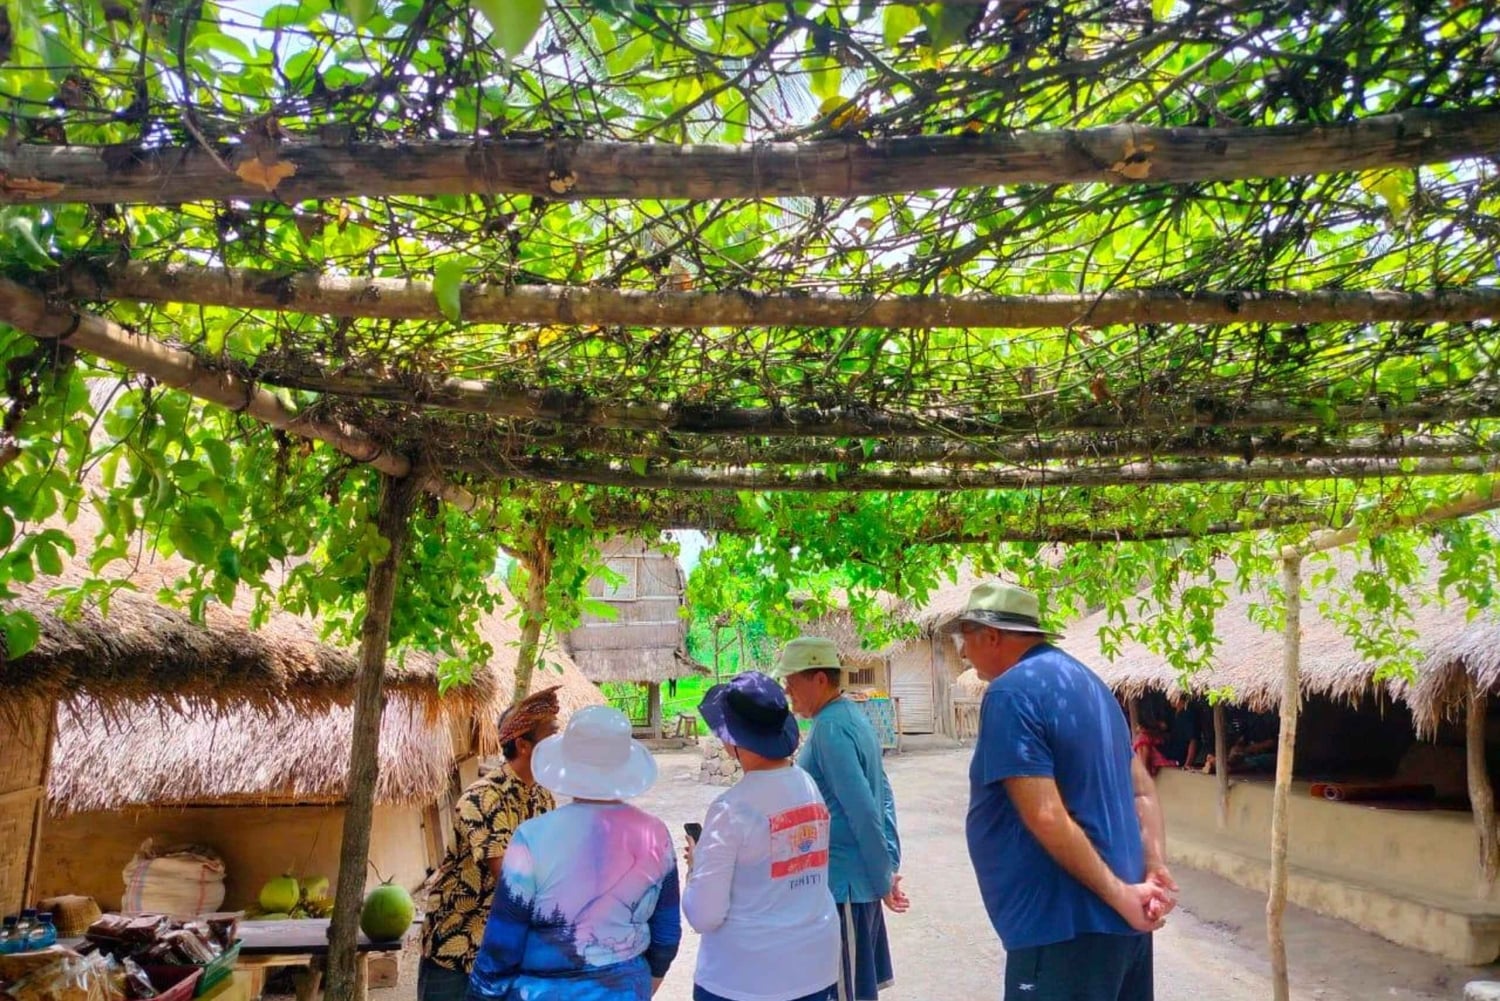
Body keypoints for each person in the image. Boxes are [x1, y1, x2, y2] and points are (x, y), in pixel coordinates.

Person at [940, 582, 1175, 1001]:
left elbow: (1046, 815)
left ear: (992, 636)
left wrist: (1123, 894)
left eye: (966, 637)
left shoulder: (1012, 693)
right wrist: (1152, 868)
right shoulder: (1091, 686)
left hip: (1064, 927)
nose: (962, 651)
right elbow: (1142, 792)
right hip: (1120, 925)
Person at [468, 705, 681, 1001]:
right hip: (625, 989)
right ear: (624, 764)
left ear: (568, 763)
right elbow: (667, 933)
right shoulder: (656, 834)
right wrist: (642, 982)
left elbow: (503, 943)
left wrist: (482, 994)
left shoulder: (532, 837)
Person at [682, 671, 839, 1001]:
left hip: (744, 978)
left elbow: (704, 914)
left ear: (731, 740)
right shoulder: (808, 787)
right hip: (814, 965)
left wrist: (696, 868)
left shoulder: (731, 809)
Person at [770, 637, 906, 1001]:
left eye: (792, 680)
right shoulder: (850, 717)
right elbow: (884, 795)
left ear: (818, 679)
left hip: (845, 884)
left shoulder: (830, 728)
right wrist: (889, 863)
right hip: (856, 881)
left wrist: (882, 880)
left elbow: (863, 809)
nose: (787, 689)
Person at [419, 686, 563, 1001]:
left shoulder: (543, 798)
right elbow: (511, 881)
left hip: (509, 953)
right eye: (552, 735)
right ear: (524, 745)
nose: (560, 743)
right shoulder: (482, 798)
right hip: (458, 952)